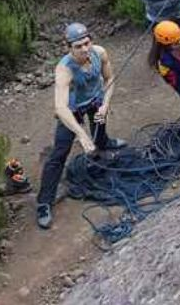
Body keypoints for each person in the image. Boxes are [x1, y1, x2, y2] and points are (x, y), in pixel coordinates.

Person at [36, 23, 126, 229]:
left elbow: (110, 79)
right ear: (69, 48)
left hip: (95, 100)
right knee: (59, 153)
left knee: (100, 127)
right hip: (72, 109)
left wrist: (105, 104)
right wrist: (82, 136)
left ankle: (104, 143)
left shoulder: (99, 53)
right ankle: (44, 202)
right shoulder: (64, 70)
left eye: (87, 43)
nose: (85, 49)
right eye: (78, 46)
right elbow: (60, 108)